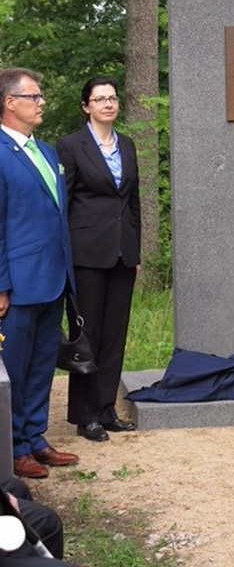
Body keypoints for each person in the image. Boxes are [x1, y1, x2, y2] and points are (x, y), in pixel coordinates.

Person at [0, 68, 79, 479]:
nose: (41, 102)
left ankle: (35, 438)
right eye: (34, 96)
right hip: (18, 284)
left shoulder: (46, 152)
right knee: (13, 368)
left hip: (53, 278)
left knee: (43, 365)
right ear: (10, 102)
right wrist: (1, 284)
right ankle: (12, 449)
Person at [56, 76, 141, 442]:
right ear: (86, 106)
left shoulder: (127, 144)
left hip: (123, 253)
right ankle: (85, 415)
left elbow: (132, 201)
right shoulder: (71, 146)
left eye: (112, 98)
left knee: (114, 335)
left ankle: (106, 409)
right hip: (87, 253)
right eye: (99, 99)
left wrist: (136, 247)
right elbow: (64, 203)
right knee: (87, 335)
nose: (108, 104)